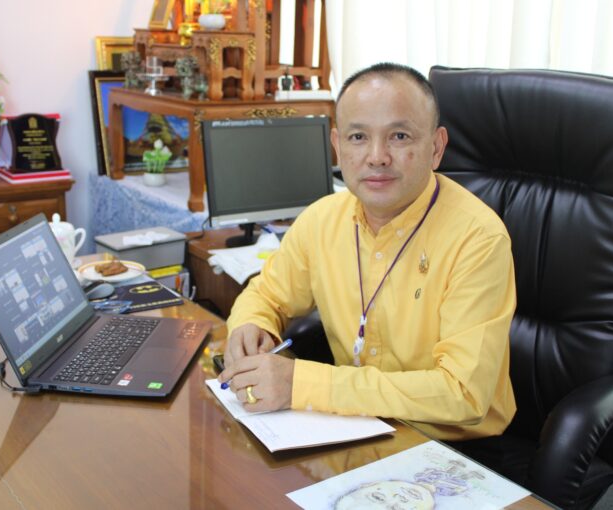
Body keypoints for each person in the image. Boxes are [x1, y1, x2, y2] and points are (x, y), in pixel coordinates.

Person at [218, 62, 516, 440]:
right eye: (358, 137)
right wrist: (252, 325)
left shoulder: (478, 238)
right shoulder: (322, 219)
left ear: (436, 147)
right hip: (353, 425)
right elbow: (266, 294)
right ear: (337, 146)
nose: (377, 156)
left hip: (451, 445)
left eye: (399, 136)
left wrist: (303, 383)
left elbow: (463, 394)